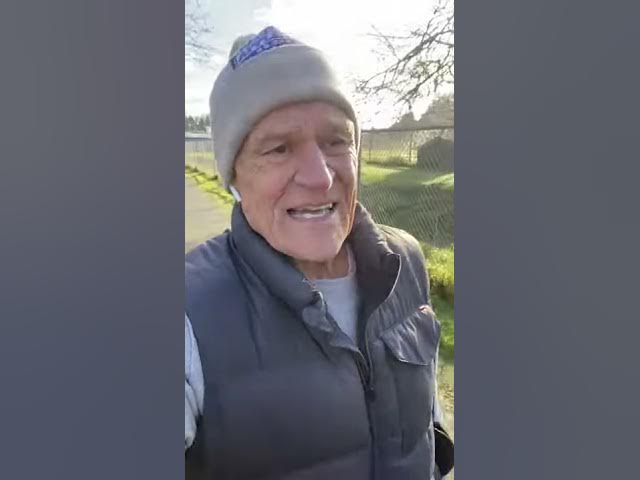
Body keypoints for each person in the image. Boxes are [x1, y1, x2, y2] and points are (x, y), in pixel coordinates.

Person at [185, 26, 454, 480]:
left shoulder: (403, 262)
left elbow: (424, 419)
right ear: (234, 177)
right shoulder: (188, 310)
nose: (320, 177)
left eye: (336, 141)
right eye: (278, 148)